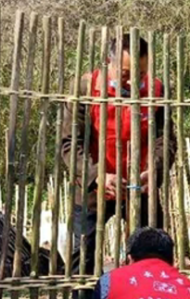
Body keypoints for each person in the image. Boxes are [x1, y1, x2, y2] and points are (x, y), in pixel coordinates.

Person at [60, 32, 178, 278]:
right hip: (93, 190)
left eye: (140, 74)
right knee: (83, 258)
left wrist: (153, 172)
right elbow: (70, 144)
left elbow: (165, 140)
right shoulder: (85, 88)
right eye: (126, 74)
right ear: (108, 62)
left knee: (152, 258)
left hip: (140, 188)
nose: (133, 81)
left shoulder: (156, 89)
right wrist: (97, 176)